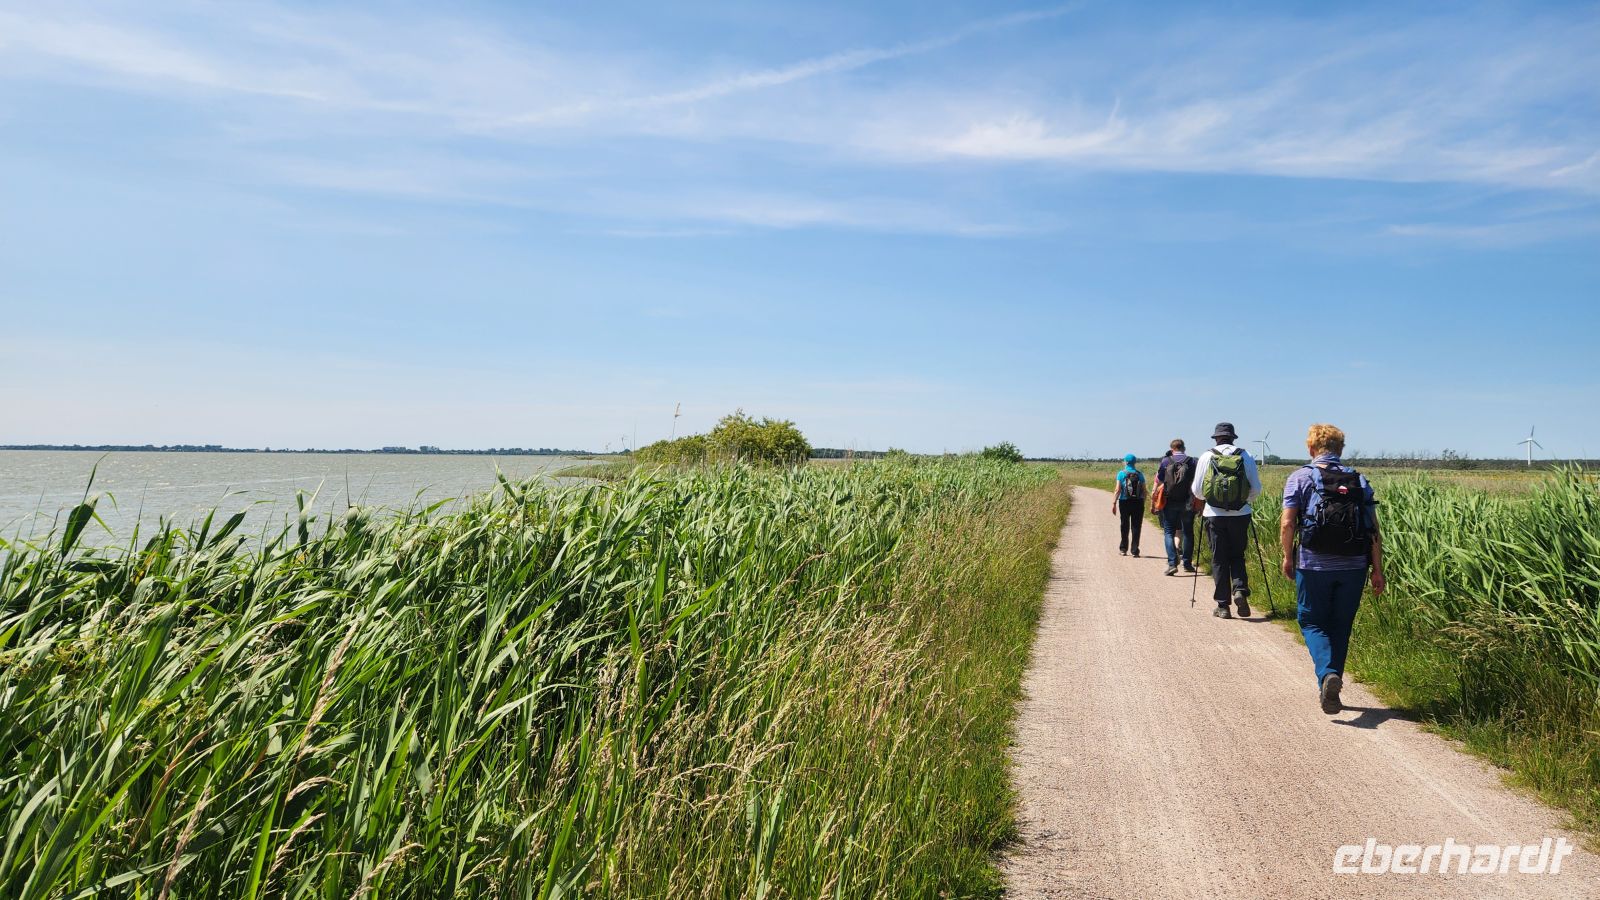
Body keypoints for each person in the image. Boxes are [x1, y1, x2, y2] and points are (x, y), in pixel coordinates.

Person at [1280, 424, 1386, 713]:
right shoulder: (1358, 479)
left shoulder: (1299, 477)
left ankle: (1327, 675)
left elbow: (1288, 523)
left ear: (1311, 448)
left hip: (1313, 564)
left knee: (1311, 621)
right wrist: (1377, 570)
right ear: (1341, 449)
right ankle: (1331, 688)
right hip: (1354, 565)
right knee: (1341, 625)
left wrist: (1288, 557)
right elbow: (1373, 529)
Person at [1189, 422, 1262, 619]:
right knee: (1237, 555)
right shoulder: (1245, 456)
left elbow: (1197, 491)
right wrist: (1242, 501)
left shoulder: (1207, 456)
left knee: (1219, 559)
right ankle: (1240, 590)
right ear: (1233, 438)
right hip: (1241, 514)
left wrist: (1213, 499)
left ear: (1216, 438)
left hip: (1214, 515)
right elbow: (1256, 489)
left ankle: (1223, 606)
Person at [1155, 439, 1198, 576]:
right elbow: (1197, 481)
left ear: (1171, 448)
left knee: (1168, 532)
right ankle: (1187, 564)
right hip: (1187, 502)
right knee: (1188, 532)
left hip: (1170, 502)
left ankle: (1172, 563)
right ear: (1184, 448)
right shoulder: (1192, 461)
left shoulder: (1166, 461)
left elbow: (1160, 479)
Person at [1111, 453, 1145, 556]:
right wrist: (1143, 502)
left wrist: (1114, 503)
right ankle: (1135, 550)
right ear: (1135, 462)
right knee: (1136, 526)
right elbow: (1144, 490)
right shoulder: (1140, 474)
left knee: (1124, 525)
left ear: (1126, 462)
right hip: (1138, 502)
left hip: (1124, 502)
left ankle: (1123, 549)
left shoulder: (1121, 474)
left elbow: (1118, 489)